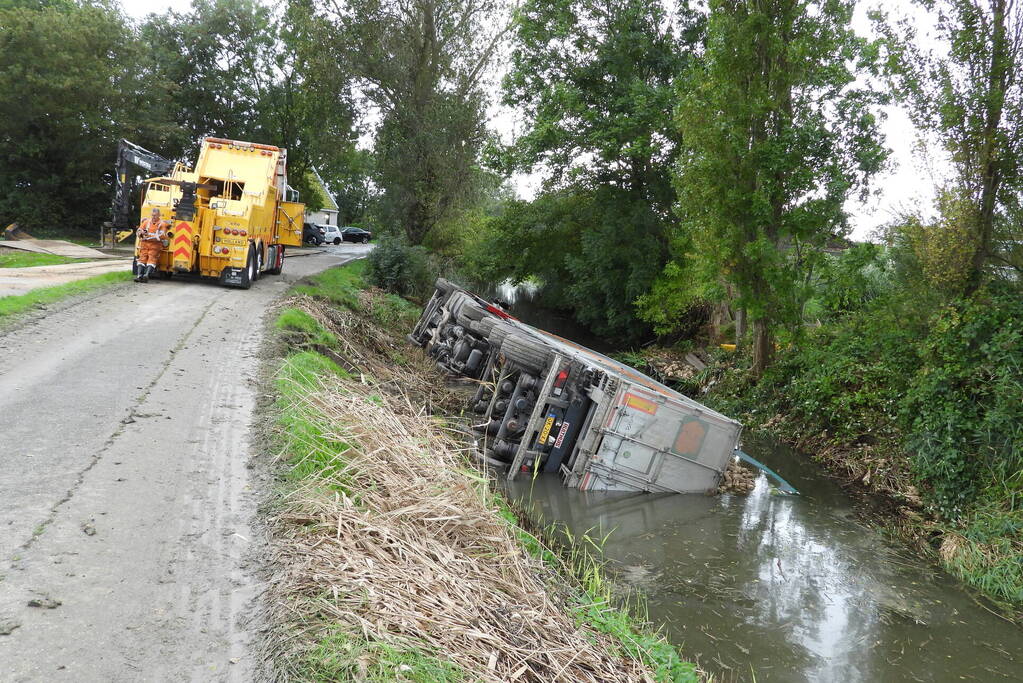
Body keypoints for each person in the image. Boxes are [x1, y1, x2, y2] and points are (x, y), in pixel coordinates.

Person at [135, 208, 169, 282]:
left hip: (155, 245)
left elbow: (162, 235)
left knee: (151, 259)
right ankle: (139, 276)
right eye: (152, 215)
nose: (153, 217)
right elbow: (139, 230)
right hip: (144, 244)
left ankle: (146, 275)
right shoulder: (146, 222)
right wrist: (140, 233)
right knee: (141, 259)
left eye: (155, 215)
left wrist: (150, 237)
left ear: (159, 215)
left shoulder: (162, 224)